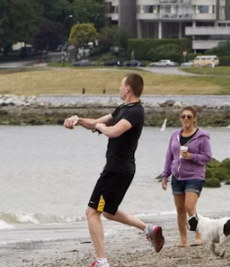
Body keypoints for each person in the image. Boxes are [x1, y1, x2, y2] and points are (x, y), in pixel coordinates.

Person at [63, 73, 164, 267]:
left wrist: (101, 127)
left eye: (120, 85)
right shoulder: (123, 109)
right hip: (121, 169)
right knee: (108, 212)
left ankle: (101, 261)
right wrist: (77, 120)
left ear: (128, 89)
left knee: (91, 213)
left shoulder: (135, 112)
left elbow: (114, 131)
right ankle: (148, 229)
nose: (118, 88)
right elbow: (96, 123)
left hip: (116, 170)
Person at [160, 106, 211, 247]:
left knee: (189, 206)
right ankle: (182, 239)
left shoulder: (202, 136)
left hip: (195, 176)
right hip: (177, 177)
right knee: (180, 209)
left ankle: (198, 236)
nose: (186, 119)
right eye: (183, 116)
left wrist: (191, 156)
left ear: (194, 118)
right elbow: (169, 157)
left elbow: (207, 157)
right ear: (180, 118)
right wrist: (165, 176)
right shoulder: (174, 136)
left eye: (189, 116)